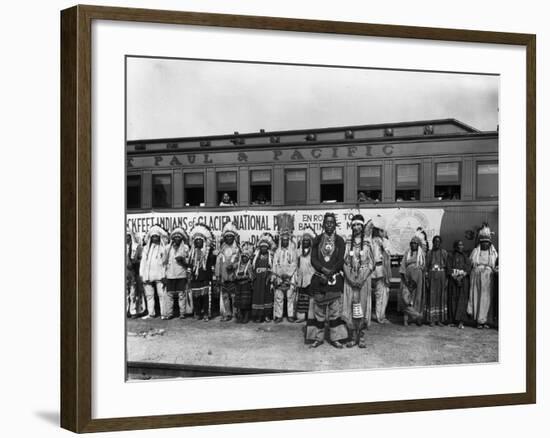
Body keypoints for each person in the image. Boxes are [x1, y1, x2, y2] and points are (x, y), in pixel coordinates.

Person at [306, 212, 348, 349]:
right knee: (318, 311)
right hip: (319, 279)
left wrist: (332, 271)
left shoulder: (340, 241)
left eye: (332, 222)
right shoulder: (317, 240)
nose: (329, 224)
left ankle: (335, 338)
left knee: (335, 311)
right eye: (327, 222)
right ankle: (318, 338)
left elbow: (341, 259)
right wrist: (323, 270)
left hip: (334, 280)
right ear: (323, 224)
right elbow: (313, 259)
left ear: (335, 225)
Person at [342, 214, 374, 348]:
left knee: (361, 306)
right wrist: (349, 277)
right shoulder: (348, 241)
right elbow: (344, 262)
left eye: (358, 225)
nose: (356, 228)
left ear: (362, 226)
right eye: (354, 225)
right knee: (350, 306)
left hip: (363, 280)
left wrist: (362, 278)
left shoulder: (367, 242)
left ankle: (361, 336)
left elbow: (371, 263)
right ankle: (352, 336)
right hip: (350, 279)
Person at [468, 224, 498, 329]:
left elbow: (494, 265)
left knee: (486, 299)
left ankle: (485, 321)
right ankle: (478, 321)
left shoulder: (493, 253)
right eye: (483, 242)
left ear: (490, 243)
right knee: (477, 297)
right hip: (477, 278)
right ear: (480, 243)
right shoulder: (476, 252)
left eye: (487, 242)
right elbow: (471, 264)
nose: (485, 244)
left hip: (488, 278)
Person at [187, 223, 216, 321]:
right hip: (195, 278)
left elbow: (212, 263)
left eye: (200, 240)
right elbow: (190, 264)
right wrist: (189, 272)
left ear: (204, 241)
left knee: (205, 297)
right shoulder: (192, 252)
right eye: (196, 240)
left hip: (205, 277)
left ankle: (206, 314)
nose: (198, 242)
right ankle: (198, 312)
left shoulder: (209, 251)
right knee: (196, 296)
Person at [272, 213, 298, 323]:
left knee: (290, 296)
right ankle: (278, 315)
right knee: (279, 296)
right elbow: (275, 264)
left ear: (289, 240)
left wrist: (287, 274)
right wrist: (277, 275)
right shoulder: (277, 251)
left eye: (287, 240)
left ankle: (290, 315)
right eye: (283, 240)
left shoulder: (292, 251)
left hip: (289, 277)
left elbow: (294, 264)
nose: (285, 241)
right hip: (279, 276)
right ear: (281, 240)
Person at [139, 225, 168, 319]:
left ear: (159, 237)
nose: (155, 238)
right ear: (150, 238)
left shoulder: (164, 248)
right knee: (149, 295)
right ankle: (151, 313)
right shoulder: (146, 249)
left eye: (156, 236)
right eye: (153, 236)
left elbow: (166, 263)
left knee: (162, 295)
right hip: (148, 275)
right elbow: (143, 261)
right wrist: (141, 274)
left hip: (160, 275)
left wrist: (165, 275)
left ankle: (164, 314)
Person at [399, 230, 426, 326]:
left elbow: (424, 266)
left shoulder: (421, 254)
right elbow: (402, 267)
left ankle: (415, 319)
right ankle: (408, 318)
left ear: (418, 244)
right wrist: (405, 281)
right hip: (408, 278)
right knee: (406, 299)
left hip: (418, 279)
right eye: (412, 243)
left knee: (417, 297)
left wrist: (420, 268)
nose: (413, 245)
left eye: (415, 243)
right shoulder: (407, 253)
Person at [163, 227, 190, 320]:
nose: (177, 239)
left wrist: (182, 260)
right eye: (175, 237)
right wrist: (164, 275)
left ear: (182, 238)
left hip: (181, 274)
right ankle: (169, 313)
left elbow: (188, 262)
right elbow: (164, 262)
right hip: (170, 274)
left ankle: (182, 313)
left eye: (179, 237)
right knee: (169, 295)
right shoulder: (167, 248)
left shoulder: (185, 248)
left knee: (181, 295)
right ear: (173, 238)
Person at [215, 222, 240, 321]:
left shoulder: (237, 249)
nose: (229, 238)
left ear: (234, 238)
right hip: (224, 277)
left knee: (234, 296)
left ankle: (235, 313)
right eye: (227, 236)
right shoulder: (222, 249)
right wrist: (218, 276)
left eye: (231, 236)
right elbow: (218, 263)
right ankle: (228, 313)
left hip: (233, 277)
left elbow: (241, 263)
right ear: (225, 238)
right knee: (225, 296)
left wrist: (233, 266)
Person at [369, 215, 392, 324]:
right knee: (369, 295)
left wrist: (384, 241)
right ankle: (367, 316)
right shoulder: (368, 241)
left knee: (381, 294)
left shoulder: (383, 241)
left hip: (380, 270)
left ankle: (380, 316)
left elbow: (387, 253)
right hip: (369, 271)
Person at [446, 240, 471, 329]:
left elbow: (468, 267)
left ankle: (461, 321)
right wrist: (455, 277)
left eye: (462, 245)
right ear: (455, 246)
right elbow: (448, 267)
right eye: (459, 245)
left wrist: (461, 276)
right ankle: (452, 321)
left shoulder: (465, 256)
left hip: (463, 281)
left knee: (462, 300)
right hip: (453, 280)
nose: (461, 246)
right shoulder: (450, 256)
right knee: (453, 299)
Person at [251, 233, 275, 323]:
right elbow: (252, 268)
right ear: (259, 248)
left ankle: (267, 315)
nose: (263, 249)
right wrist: (253, 276)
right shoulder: (255, 257)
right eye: (262, 247)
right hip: (258, 281)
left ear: (268, 248)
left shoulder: (270, 256)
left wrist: (270, 276)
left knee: (267, 297)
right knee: (258, 297)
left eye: (265, 247)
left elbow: (273, 268)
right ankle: (258, 316)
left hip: (266, 280)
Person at [425, 235, 448, 327]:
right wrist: (426, 279)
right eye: (435, 242)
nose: (437, 243)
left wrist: (446, 279)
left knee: (440, 297)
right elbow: (426, 267)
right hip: (431, 276)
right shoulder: (429, 253)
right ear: (433, 243)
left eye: (438, 242)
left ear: (440, 243)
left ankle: (439, 320)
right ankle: (431, 320)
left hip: (441, 276)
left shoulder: (444, 253)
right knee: (432, 296)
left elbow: (447, 266)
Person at [295, 227, 316, 324]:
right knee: (302, 298)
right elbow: (296, 265)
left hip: (310, 278)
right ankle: (301, 316)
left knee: (311, 298)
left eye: (307, 241)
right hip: (301, 278)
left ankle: (310, 317)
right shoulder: (299, 251)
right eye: (304, 240)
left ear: (310, 242)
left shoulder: (313, 252)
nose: (305, 242)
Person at [126, 228, 144, 318]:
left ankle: (133, 311)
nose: (126, 238)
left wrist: (135, 262)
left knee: (133, 292)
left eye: (128, 236)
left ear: (130, 237)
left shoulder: (136, 247)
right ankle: (126, 311)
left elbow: (141, 258)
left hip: (133, 271)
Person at [234, 242, 254, 323]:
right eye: (243, 257)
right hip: (239, 286)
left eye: (246, 257)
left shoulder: (249, 266)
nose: (244, 258)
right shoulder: (238, 265)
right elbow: (234, 275)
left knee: (246, 303)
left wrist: (244, 277)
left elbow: (252, 277)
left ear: (248, 258)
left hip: (246, 286)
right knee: (239, 303)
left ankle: (246, 317)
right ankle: (240, 316)